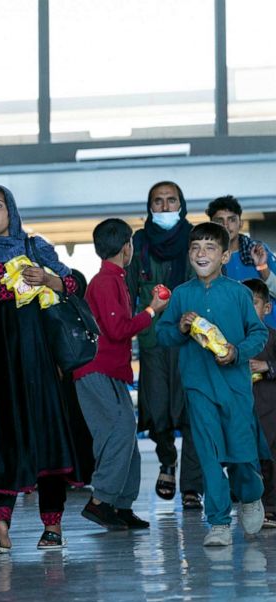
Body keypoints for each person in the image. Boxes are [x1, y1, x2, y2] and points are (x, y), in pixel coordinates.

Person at [0, 183, 82, 553]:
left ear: (11, 211)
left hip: (34, 352)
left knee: (43, 429)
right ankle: (0, 527)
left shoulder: (33, 247)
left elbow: (72, 284)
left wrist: (48, 279)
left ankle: (52, 525)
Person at [156, 222, 268, 546]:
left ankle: (250, 495)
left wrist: (236, 352)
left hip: (234, 386)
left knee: (242, 452)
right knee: (208, 453)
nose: (201, 253)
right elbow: (163, 335)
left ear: (225, 256)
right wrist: (179, 326)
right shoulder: (181, 295)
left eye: (209, 248)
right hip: (198, 386)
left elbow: (258, 334)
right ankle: (218, 522)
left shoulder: (238, 293)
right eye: (195, 248)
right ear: (188, 254)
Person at [75, 219, 168, 531]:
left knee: (126, 431)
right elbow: (117, 330)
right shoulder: (105, 282)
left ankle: (121, 505)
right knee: (117, 431)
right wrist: (152, 310)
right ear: (126, 247)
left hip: (109, 371)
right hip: (96, 370)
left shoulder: (114, 279)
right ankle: (100, 500)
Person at [126, 181, 203, 510]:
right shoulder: (139, 243)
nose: (165, 207)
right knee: (157, 410)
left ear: (181, 204)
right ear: (149, 206)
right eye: (158, 201)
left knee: (193, 411)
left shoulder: (196, 239)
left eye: (171, 201)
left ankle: (191, 485)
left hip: (193, 340)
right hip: (154, 342)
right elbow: (128, 291)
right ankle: (167, 461)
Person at [206, 195, 276, 326]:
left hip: (269, 332)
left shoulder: (258, 250)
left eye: (231, 219)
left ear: (240, 223)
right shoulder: (205, 259)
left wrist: (263, 268)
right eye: (219, 220)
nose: (226, 225)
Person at [244, 278, 276, 528]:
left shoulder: (272, 337)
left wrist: (268, 367)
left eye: (253, 303)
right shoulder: (233, 341)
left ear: (267, 308)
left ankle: (271, 508)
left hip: (271, 411)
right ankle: (255, 506)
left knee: (271, 460)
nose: (248, 308)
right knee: (249, 461)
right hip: (245, 413)